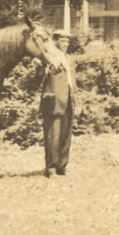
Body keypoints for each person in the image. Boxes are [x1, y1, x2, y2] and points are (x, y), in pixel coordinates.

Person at [40, 30, 75, 177]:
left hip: (68, 102)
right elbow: (41, 76)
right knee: (52, 136)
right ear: (56, 42)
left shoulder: (70, 60)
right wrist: (45, 66)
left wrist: (76, 103)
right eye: (62, 41)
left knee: (66, 135)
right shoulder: (50, 60)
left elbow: (73, 84)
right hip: (53, 103)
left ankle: (62, 166)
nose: (65, 44)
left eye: (67, 42)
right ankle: (51, 168)